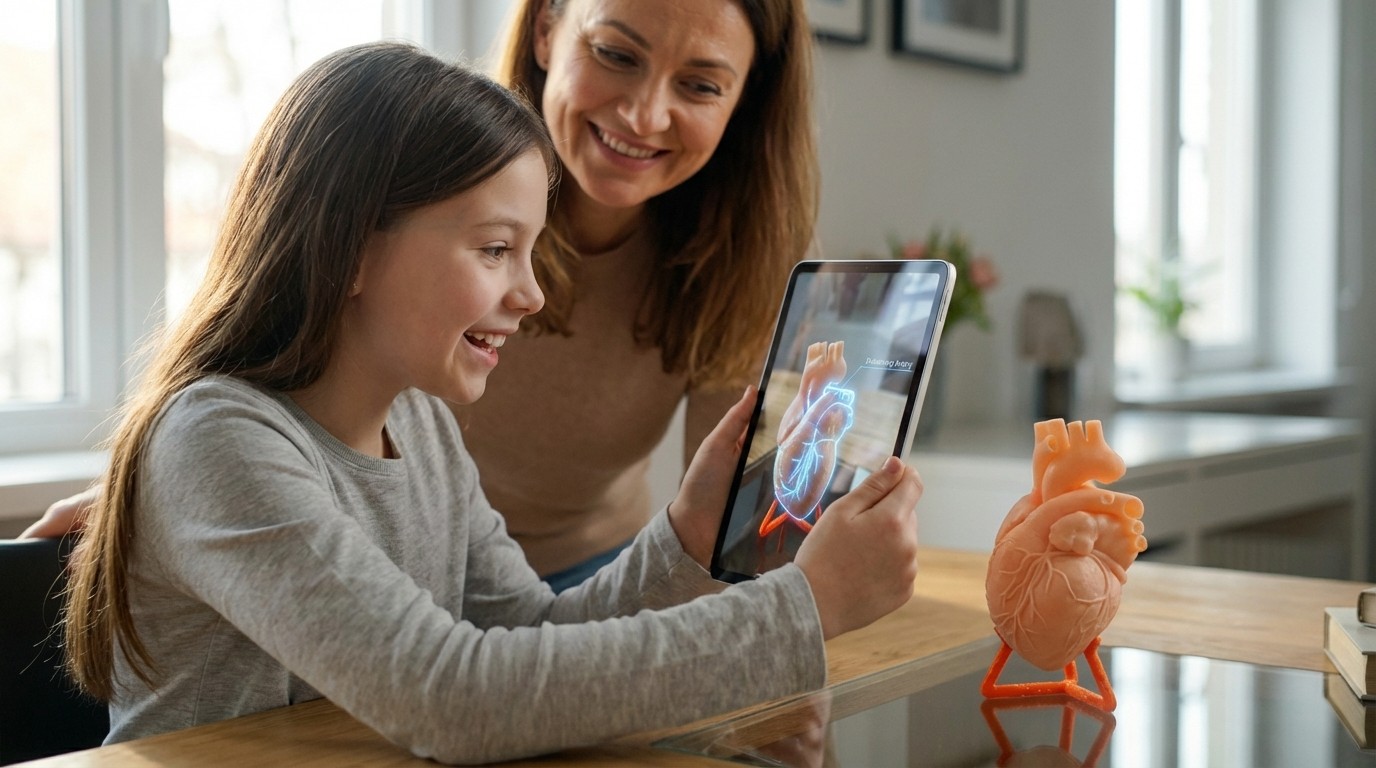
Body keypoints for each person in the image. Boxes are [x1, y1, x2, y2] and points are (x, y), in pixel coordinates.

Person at [61, 42, 923, 764]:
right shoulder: (218, 438)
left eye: (531, 250)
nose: (531, 294)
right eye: (496, 249)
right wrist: (802, 610)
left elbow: (535, 632)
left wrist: (686, 536)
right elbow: (451, 697)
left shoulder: (422, 428)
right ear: (350, 250)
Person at [25, 0, 821, 595]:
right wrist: (189, 491)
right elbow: (274, 357)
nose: (645, 113)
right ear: (547, 28)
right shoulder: (422, 178)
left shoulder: (738, 261)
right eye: (615, 53)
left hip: (591, 579)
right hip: (382, 568)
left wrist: (784, 656)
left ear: (744, 99)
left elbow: (738, 531)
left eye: (701, 84)